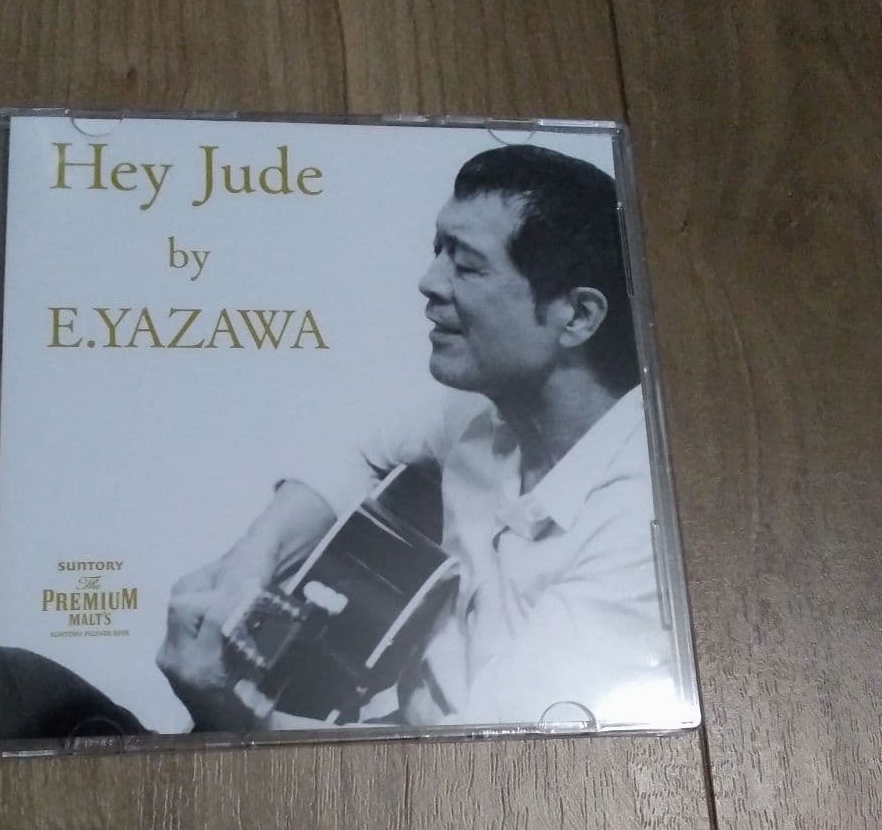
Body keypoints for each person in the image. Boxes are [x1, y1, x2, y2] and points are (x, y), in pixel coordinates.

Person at [156, 144, 675, 731]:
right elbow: (353, 453)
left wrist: (234, 719)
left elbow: (492, 765)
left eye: (467, 266)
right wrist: (252, 561)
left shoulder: (639, 532)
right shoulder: (479, 414)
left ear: (577, 316)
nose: (429, 283)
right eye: (437, 252)